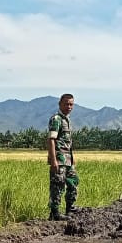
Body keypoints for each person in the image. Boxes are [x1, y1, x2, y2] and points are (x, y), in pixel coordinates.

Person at [47, 93, 79, 221]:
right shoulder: (56, 119)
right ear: (60, 104)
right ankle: (55, 212)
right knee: (58, 185)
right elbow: (51, 139)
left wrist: (72, 158)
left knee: (73, 182)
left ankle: (70, 209)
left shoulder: (67, 120)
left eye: (71, 104)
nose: (69, 106)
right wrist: (53, 160)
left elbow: (68, 142)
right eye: (66, 104)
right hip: (59, 159)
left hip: (68, 159)